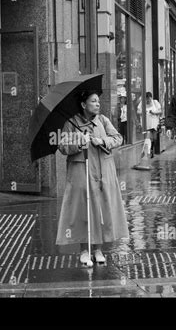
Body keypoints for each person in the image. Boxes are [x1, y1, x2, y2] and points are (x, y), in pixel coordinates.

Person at [56, 90, 129, 265]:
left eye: (98, 101)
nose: (98, 104)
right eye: (93, 101)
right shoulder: (72, 122)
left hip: (103, 170)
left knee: (100, 209)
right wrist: (80, 142)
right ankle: (84, 250)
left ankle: (98, 249)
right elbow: (62, 146)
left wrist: (102, 141)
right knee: (83, 209)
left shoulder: (103, 120)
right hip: (81, 170)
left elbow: (118, 138)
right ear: (83, 104)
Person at [137, 92, 162, 159]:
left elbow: (160, 111)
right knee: (148, 138)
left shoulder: (155, 102)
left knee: (154, 138)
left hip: (154, 124)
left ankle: (151, 149)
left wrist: (153, 112)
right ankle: (148, 152)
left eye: (149, 99)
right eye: (146, 99)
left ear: (151, 98)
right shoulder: (142, 103)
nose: (148, 101)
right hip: (146, 125)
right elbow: (138, 111)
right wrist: (143, 112)